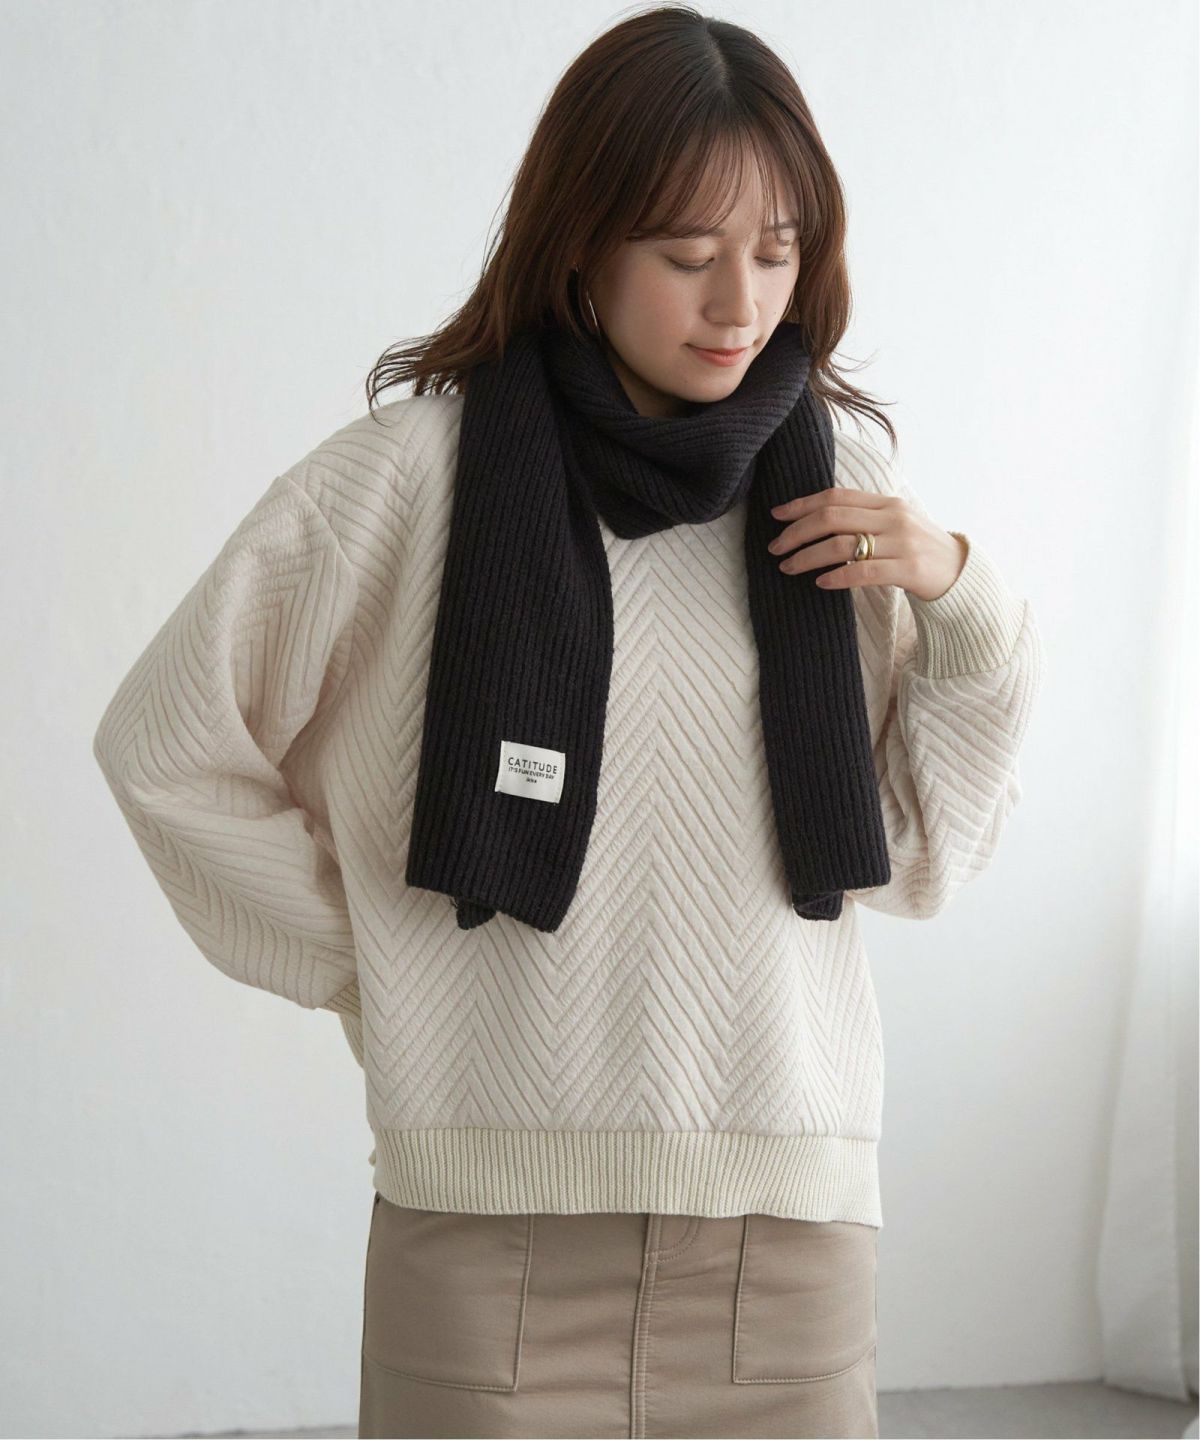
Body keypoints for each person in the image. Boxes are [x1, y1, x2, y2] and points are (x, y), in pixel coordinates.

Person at [91, 5, 1046, 1437]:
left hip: (783, 1246)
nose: (739, 305)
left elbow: (917, 855)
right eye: (687, 255)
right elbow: (167, 746)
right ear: (581, 247)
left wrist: (961, 594)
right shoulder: (408, 480)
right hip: (489, 1251)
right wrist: (380, 965)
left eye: (777, 252)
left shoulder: (830, 497)